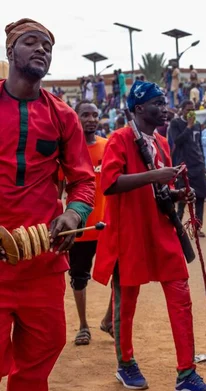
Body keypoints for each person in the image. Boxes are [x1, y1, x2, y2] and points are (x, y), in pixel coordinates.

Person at [92, 80, 206, 391]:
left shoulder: (160, 141)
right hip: (129, 233)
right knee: (126, 304)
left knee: (180, 296)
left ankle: (186, 373)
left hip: (161, 231)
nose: (164, 108)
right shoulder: (120, 140)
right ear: (138, 108)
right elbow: (110, 184)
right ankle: (125, 363)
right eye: (157, 103)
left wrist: (177, 192)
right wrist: (155, 176)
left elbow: (157, 191)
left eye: (164, 101)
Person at [0, 18, 95, 391]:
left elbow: (84, 181)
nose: (41, 49)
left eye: (47, 46)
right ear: (10, 52)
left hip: (43, 259)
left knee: (42, 352)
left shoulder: (63, 116)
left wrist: (74, 215)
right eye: (31, 42)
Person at [57, 100, 110, 346]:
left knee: (121, 274)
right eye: (85, 114)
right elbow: (57, 192)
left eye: (94, 114)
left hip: (108, 226)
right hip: (81, 229)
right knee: (79, 278)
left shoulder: (108, 147)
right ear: (75, 118)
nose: (90, 119)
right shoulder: (68, 153)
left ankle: (110, 319)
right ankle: (83, 326)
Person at [168, 100, 206, 236]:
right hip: (184, 167)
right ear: (182, 110)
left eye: (193, 110)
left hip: (198, 166)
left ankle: (197, 227)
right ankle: (177, 227)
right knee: (183, 198)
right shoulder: (175, 124)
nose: (191, 113)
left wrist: (203, 163)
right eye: (188, 110)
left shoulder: (197, 125)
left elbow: (199, 145)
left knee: (201, 197)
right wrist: (188, 127)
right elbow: (177, 141)